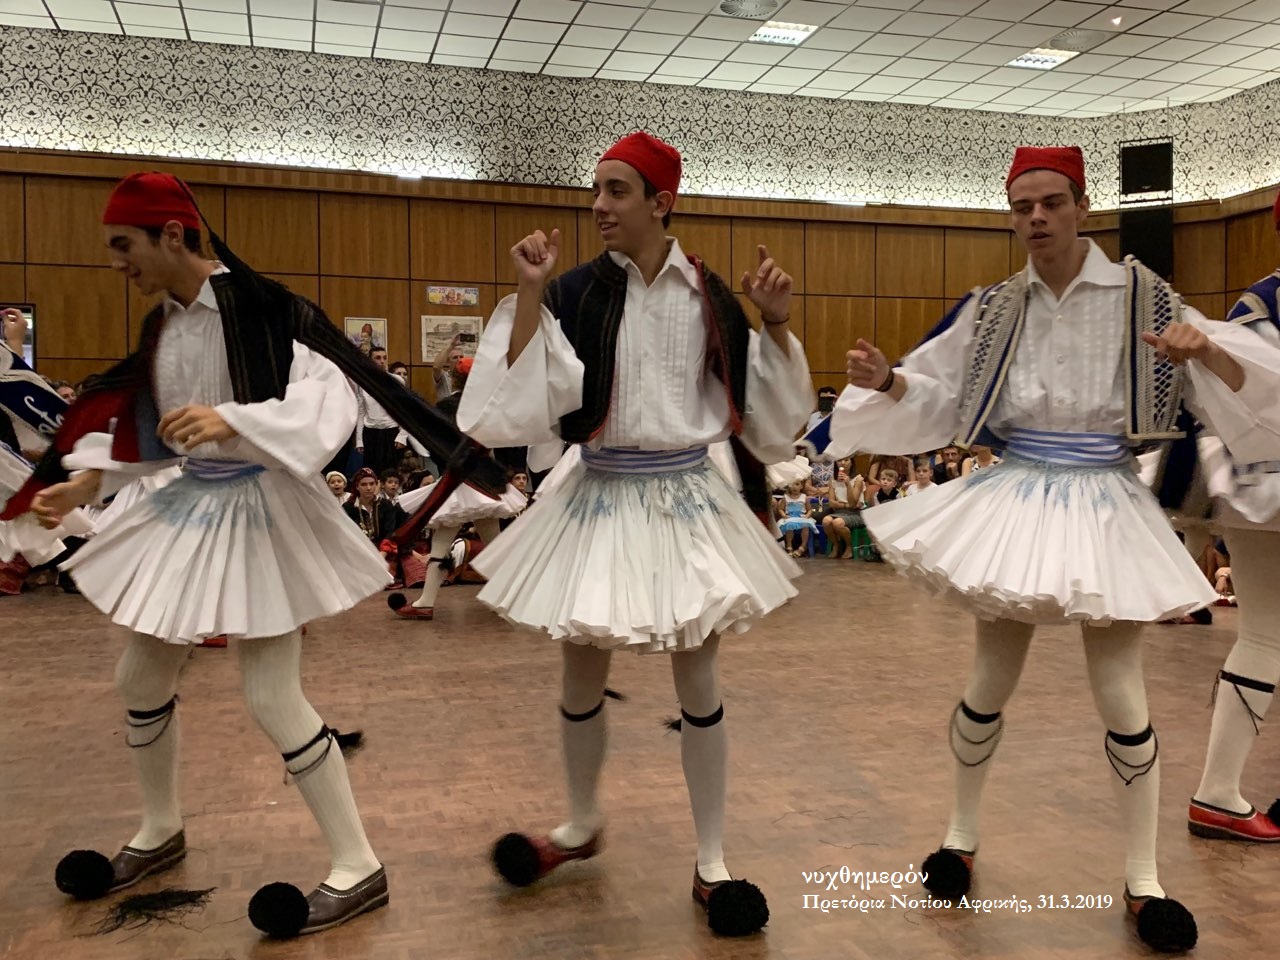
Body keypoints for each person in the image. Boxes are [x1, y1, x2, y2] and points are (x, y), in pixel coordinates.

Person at [3, 171, 506, 939]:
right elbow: (149, 423)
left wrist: (234, 419)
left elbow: (328, 398)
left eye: (124, 244)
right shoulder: (165, 325)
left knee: (271, 693)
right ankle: (160, 827)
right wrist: (87, 481)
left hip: (262, 509)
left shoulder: (266, 308)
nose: (116, 262)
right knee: (140, 675)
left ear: (173, 235)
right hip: (189, 506)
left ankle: (358, 863)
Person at [830, 145, 1280, 954]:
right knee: (990, 676)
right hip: (1017, 498)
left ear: (1082, 207)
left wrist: (1204, 349)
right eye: (1022, 206)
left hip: (1106, 499)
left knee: (1121, 691)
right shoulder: (995, 306)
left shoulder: (1145, 294)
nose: (1035, 218)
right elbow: (941, 394)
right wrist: (885, 381)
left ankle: (1143, 878)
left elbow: (1248, 383)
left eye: (1051, 202)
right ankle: (959, 838)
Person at [455, 131, 812, 936]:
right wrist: (530, 294)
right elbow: (518, 405)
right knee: (580, 668)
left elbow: (770, 420)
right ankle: (581, 823)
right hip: (598, 491)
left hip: (686, 496)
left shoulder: (711, 297)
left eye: (616, 190)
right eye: (597, 190)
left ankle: (712, 857)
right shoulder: (575, 291)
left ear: (662, 201)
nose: (598, 205)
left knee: (699, 676)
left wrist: (778, 322)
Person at [1186, 190, 1280, 844]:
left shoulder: (1262, 302)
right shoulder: (1263, 304)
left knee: (1267, 635)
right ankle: (1217, 793)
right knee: (1266, 635)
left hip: (1258, 483)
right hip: (1264, 486)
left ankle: (1218, 791)